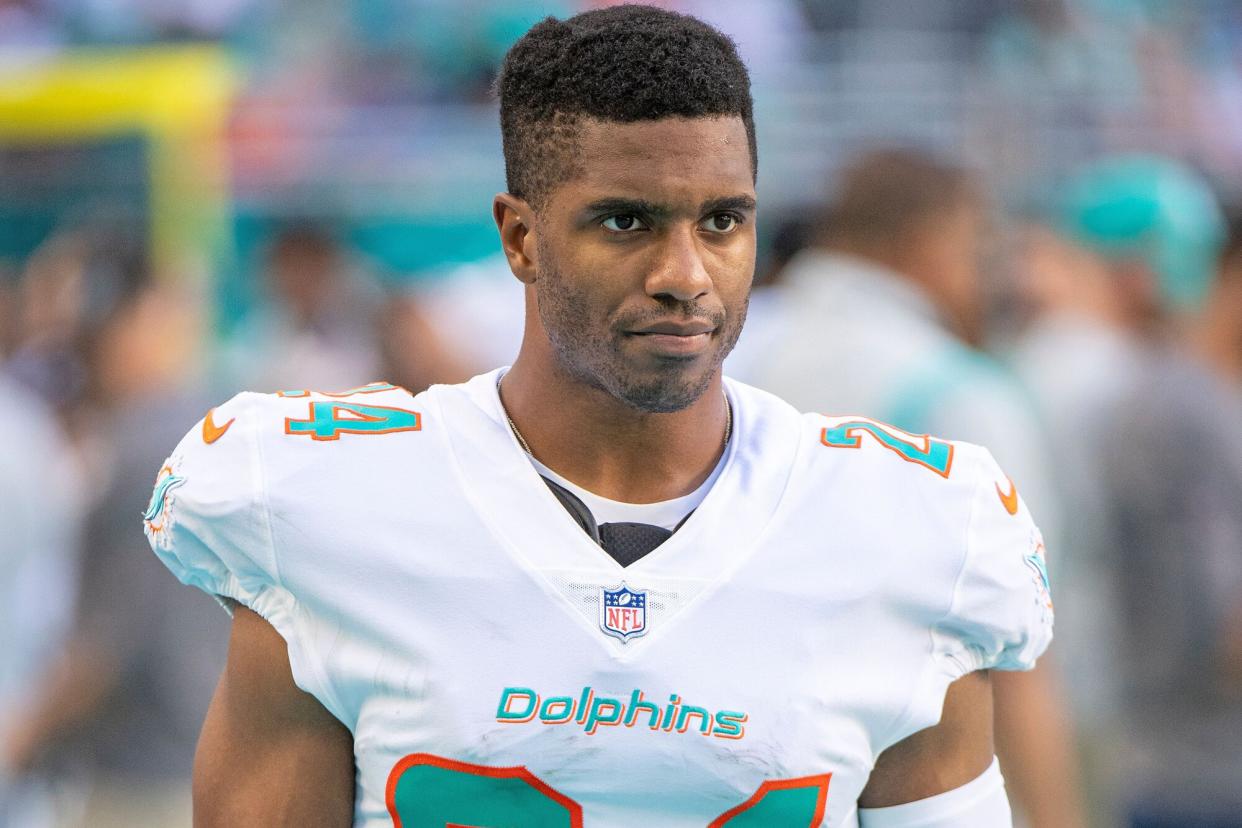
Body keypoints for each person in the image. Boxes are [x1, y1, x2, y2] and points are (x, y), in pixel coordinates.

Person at [146, 7, 1052, 825]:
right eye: (626, 222)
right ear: (521, 237)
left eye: (723, 222)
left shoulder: (907, 531)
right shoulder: (329, 512)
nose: (685, 275)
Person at [744, 149, 1085, 828]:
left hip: (735, 767)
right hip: (913, 779)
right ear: (931, 243)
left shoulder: (717, 353)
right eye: (978, 247)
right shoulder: (960, 394)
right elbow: (1017, 662)